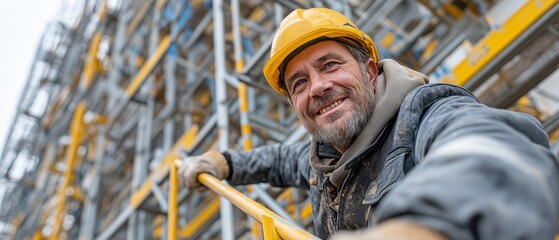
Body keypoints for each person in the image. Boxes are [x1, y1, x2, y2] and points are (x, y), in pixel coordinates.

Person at [179, 8, 559, 239]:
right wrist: (222, 162)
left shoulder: (425, 115)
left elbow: (491, 148)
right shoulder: (325, 158)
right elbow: (279, 160)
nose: (318, 87)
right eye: (299, 83)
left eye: (330, 65)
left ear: (370, 71)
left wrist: (425, 227)